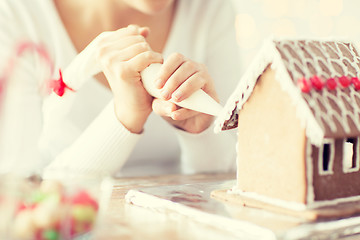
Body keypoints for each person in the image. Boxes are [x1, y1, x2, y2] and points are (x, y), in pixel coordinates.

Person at [0, 0, 240, 178]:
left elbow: (233, 178)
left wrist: (201, 133)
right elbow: (19, 196)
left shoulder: (209, 9)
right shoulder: (16, 16)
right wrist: (124, 117)